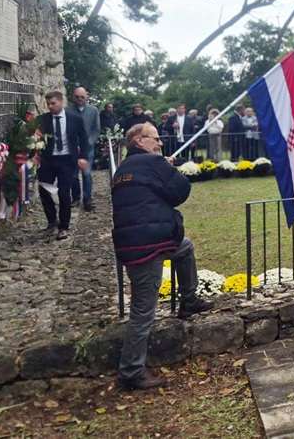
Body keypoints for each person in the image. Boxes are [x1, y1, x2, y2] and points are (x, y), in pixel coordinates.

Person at [112, 123, 212, 390]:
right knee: (143, 310)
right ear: (139, 141)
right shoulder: (152, 163)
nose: (159, 144)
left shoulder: (124, 168)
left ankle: (188, 300)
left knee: (186, 248)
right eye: (155, 139)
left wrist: (160, 165)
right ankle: (131, 371)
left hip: (140, 241)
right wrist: (167, 167)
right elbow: (180, 191)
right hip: (147, 246)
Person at [36, 91, 90, 240]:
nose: (50, 106)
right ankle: (52, 222)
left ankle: (64, 227)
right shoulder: (42, 120)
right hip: (48, 160)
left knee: (64, 193)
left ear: (61, 102)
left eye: (53, 103)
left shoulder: (75, 119)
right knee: (44, 191)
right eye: (48, 104)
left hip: (67, 160)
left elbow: (84, 139)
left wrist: (83, 157)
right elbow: (33, 138)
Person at [69, 86, 100, 211]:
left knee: (87, 174)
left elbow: (96, 129)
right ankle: (75, 198)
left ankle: (87, 199)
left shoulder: (93, 110)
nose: (80, 99)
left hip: (87, 149)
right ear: (73, 97)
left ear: (87, 97)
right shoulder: (67, 111)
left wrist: (88, 143)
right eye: (77, 97)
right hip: (72, 148)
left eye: (82, 97)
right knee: (73, 175)